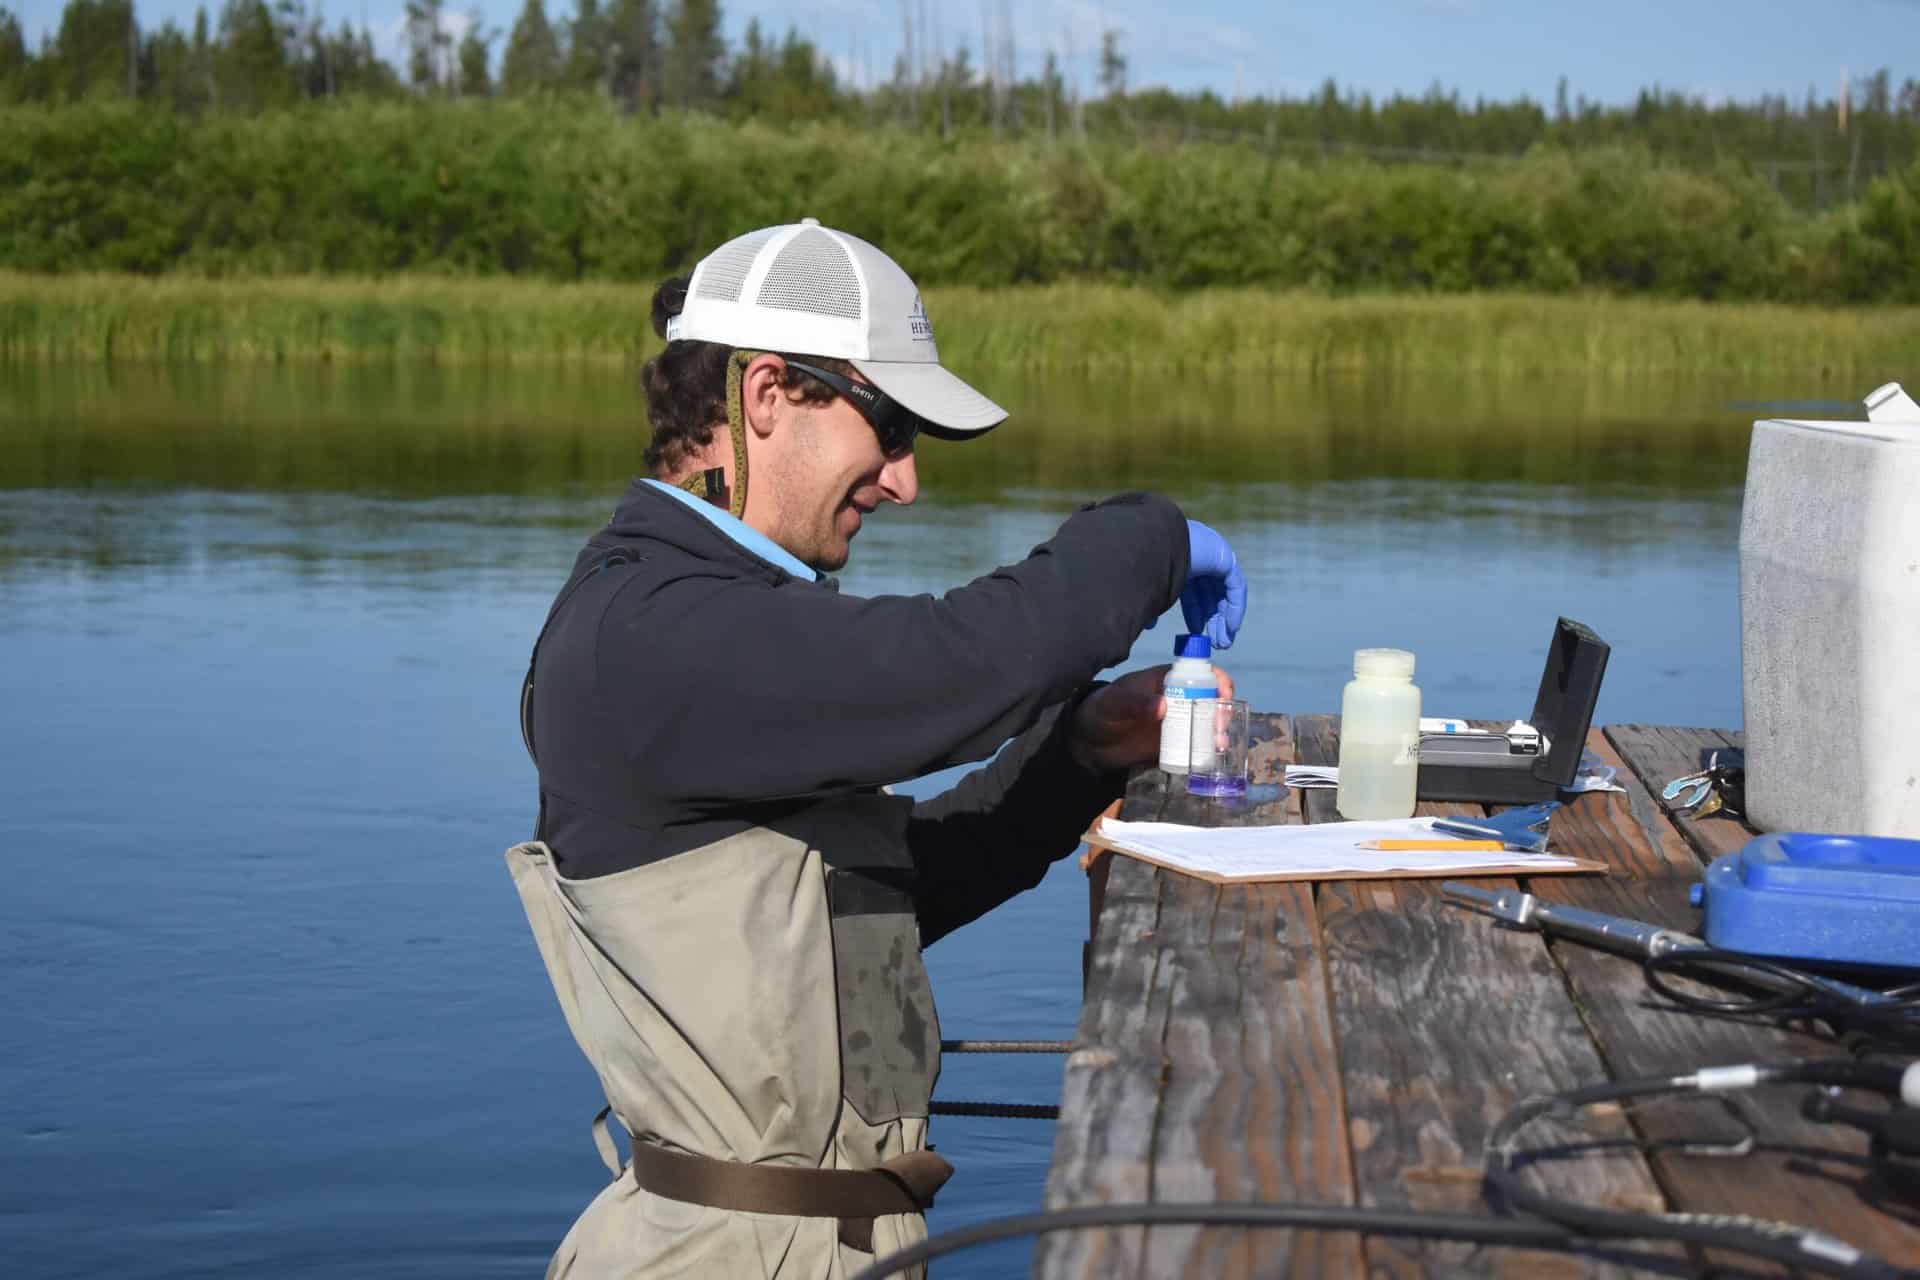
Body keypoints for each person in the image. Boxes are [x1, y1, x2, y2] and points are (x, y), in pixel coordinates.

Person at [505, 218, 1248, 1279]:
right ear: (765, 395)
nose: (905, 479)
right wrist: (1154, 531)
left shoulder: (704, 621)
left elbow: (875, 903)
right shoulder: (653, 633)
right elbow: (975, 658)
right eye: (890, 424)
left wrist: (1082, 751)